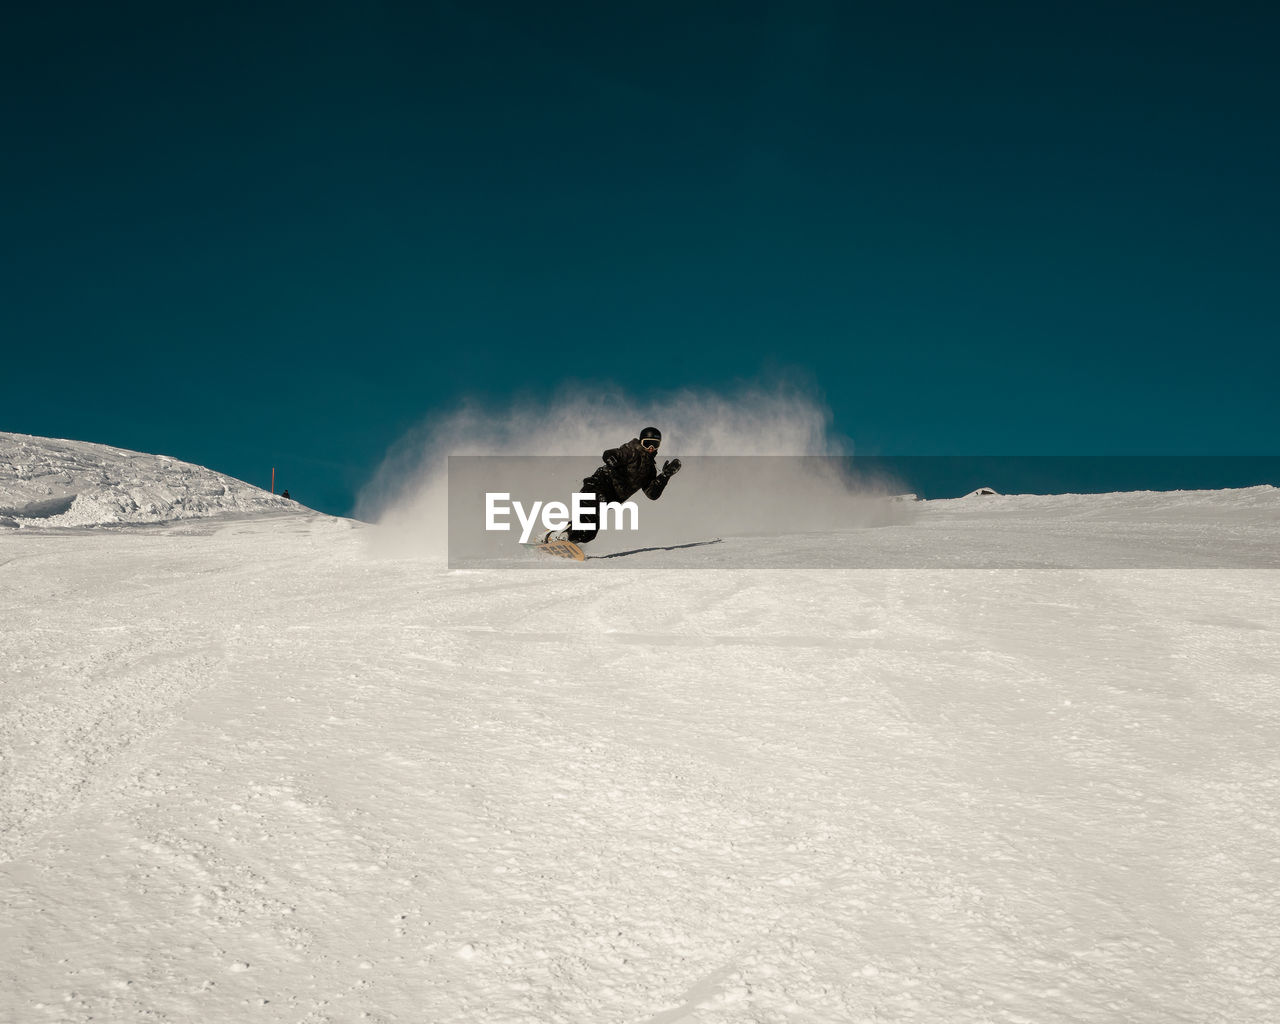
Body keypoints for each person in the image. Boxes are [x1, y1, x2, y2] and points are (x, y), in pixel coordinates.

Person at [545, 426, 681, 545]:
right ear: (641, 442)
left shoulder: (650, 471)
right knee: (589, 517)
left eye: (655, 445)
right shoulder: (632, 451)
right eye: (647, 444)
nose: (651, 448)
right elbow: (610, 453)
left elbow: (652, 494)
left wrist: (665, 475)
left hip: (609, 499)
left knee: (589, 534)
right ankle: (558, 535)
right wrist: (613, 458)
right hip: (596, 487)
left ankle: (563, 539)